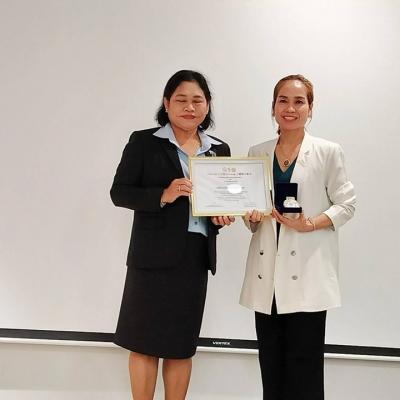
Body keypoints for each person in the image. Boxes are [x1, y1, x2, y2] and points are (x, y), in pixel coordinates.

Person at [110, 70, 233, 400]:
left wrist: (221, 217)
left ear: (207, 105)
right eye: (181, 100)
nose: (190, 107)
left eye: (197, 100)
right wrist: (163, 195)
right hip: (150, 258)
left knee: (181, 346)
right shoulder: (144, 142)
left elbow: (222, 203)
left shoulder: (219, 150)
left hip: (193, 258)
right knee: (143, 343)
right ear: (166, 104)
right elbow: (119, 192)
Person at [240, 74, 356, 400]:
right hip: (267, 278)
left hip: (307, 275)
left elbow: (347, 205)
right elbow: (252, 211)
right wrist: (251, 218)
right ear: (273, 107)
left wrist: (312, 224)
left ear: (310, 108)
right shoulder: (257, 152)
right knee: (272, 370)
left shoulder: (327, 152)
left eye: (299, 101)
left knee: (305, 374)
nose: (290, 108)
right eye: (283, 101)